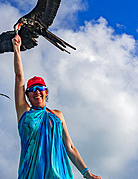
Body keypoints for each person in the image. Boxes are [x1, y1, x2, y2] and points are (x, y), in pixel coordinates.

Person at [12, 35, 101, 179]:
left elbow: (70, 147)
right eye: (32, 89)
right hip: (31, 174)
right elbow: (19, 77)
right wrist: (17, 49)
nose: (36, 92)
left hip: (59, 174)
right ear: (27, 95)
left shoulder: (57, 115)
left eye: (40, 88)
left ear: (46, 92)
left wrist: (87, 174)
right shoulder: (24, 112)